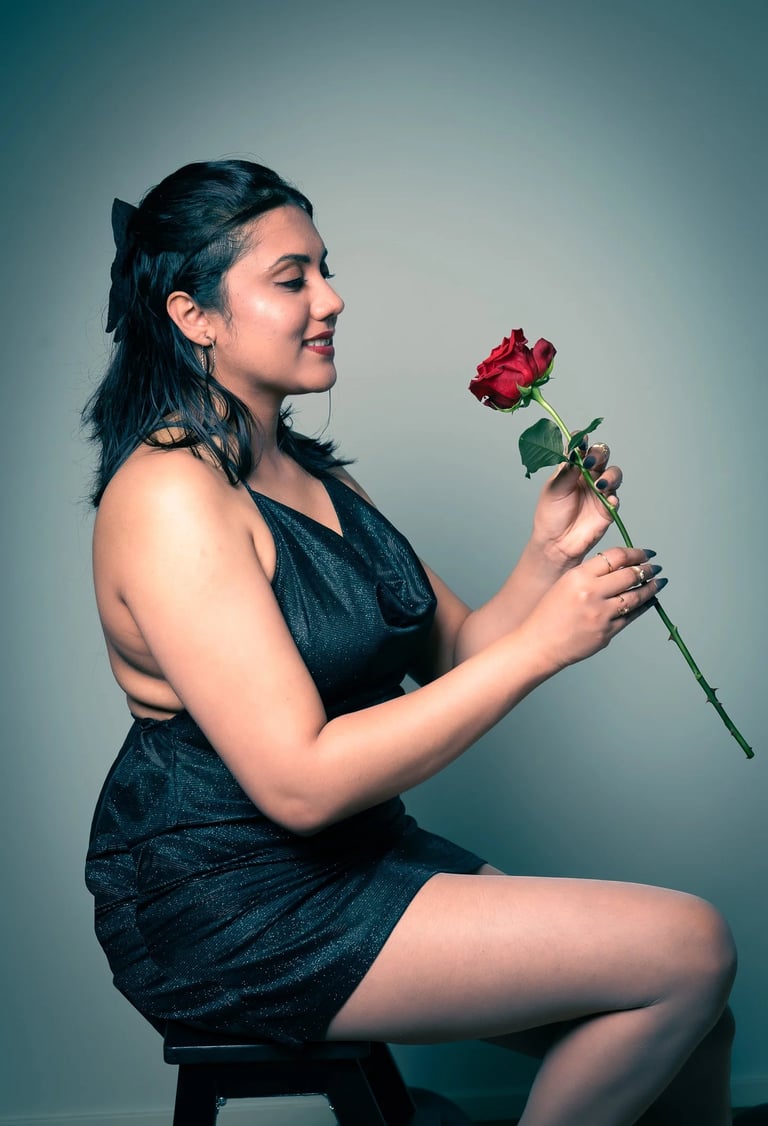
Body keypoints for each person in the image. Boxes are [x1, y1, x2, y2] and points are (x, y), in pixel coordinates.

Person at [84, 159, 738, 1126]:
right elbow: (297, 785)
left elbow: (458, 649)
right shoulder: (170, 497)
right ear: (194, 316)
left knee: (697, 1016)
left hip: (359, 854)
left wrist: (544, 557)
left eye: (325, 269)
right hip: (233, 901)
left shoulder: (310, 471)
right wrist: (546, 646)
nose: (332, 299)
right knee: (690, 950)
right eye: (292, 277)